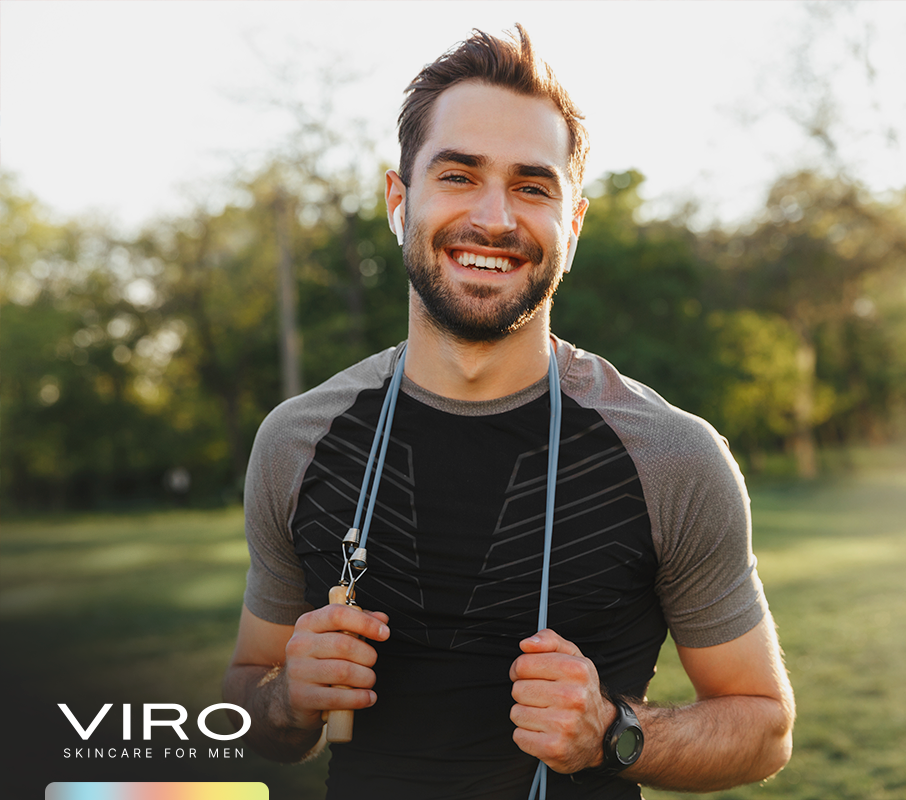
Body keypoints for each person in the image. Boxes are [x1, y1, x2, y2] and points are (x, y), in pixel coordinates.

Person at [222, 24, 794, 799]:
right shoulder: (296, 441)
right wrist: (287, 697)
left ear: (575, 226)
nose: (494, 219)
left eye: (532, 186)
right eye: (458, 175)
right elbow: (250, 708)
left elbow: (762, 727)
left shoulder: (672, 457)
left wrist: (612, 734)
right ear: (400, 200)